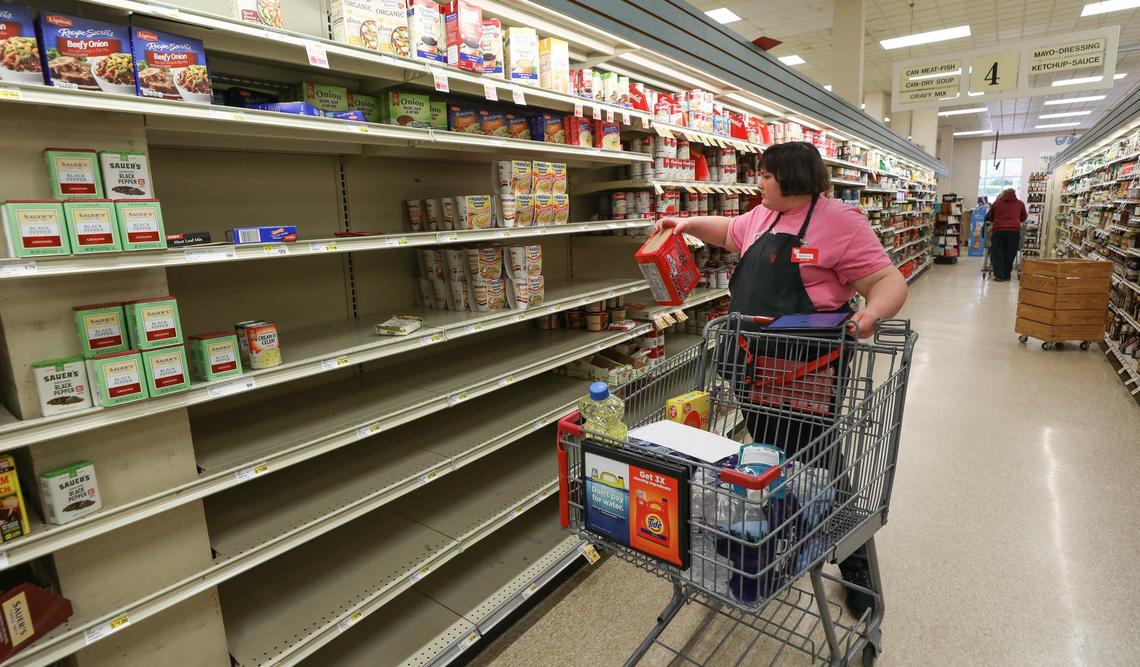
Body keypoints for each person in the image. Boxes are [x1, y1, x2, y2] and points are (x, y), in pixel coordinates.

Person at [655, 141, 908, 617]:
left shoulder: (840, 222)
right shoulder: (761, 216)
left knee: (822, 462)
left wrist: (870, 316)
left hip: (809, 371)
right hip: (753, 370)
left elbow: (886, 280)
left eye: (766, 175)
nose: (759, 182)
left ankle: (856, 567)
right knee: (772, 456)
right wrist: (686, 225)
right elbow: (730, 232)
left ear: (792, 178)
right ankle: (785, 535)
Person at [985, 188, 1027, 282]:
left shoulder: (997, 203)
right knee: (1010, 253)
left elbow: (990, 216)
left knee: (998, 252)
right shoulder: (1020, 203)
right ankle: (1007, 275)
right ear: (1014, 194)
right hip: (1014, 231)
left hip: (998, 230)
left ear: (1003, 194)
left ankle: (999, 276)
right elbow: (1024, 217)